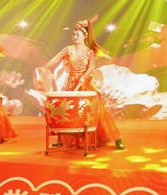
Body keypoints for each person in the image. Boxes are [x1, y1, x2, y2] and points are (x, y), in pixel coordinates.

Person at [41, 19, 125, 150]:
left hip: (86, 83)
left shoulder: (89, 52)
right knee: (69, 110)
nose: (74, 37)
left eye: (77, 35)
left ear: (85, 36)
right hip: (72, 82)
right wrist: (46, 66)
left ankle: (116, 138)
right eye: (74, 34)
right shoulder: (68, 49)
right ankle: (62, 139)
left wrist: (83, 78)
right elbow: (56, 58)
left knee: (97, 111)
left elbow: (91, 67)